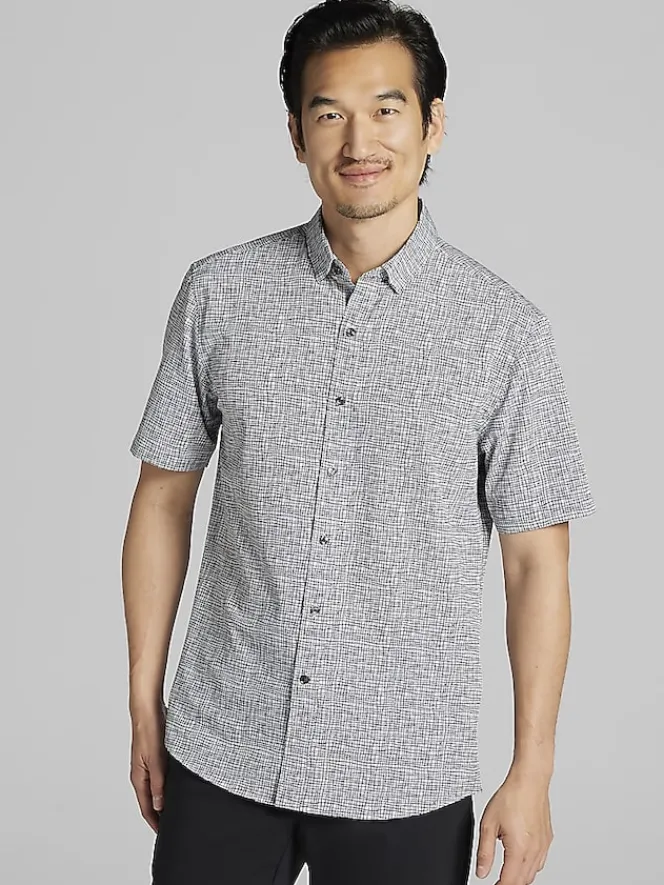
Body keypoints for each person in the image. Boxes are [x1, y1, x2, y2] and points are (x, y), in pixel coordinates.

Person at [122, 1, 596, 883]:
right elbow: (162, 497)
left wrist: (532, 768)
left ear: (432, 124)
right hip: (222, 743)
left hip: (404, 767)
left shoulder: (505, 332)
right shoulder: (219, 293)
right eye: (329, 112)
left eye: (386, 109)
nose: (359, 141)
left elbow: (537, 563)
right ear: (295, 134)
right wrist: (144, 700)